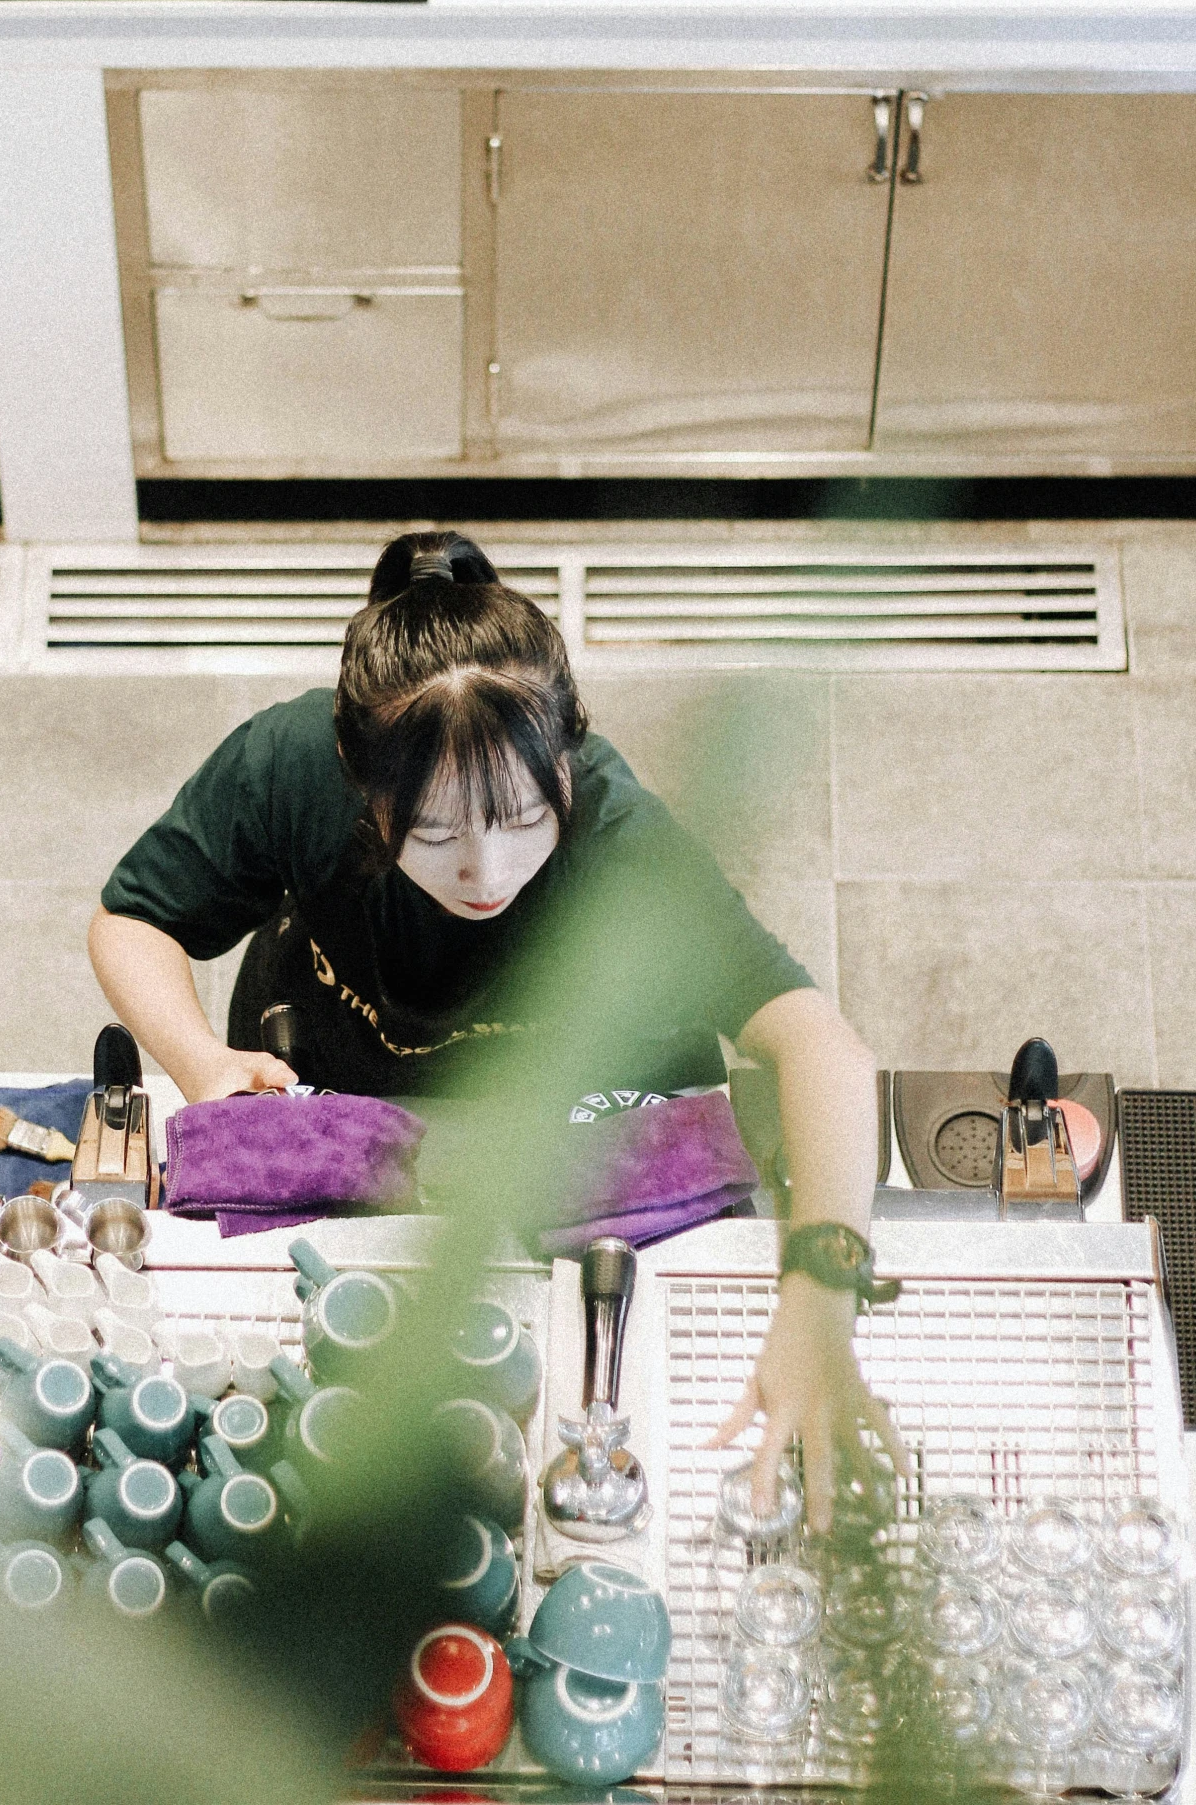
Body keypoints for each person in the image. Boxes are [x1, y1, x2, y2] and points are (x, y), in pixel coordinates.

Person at [89, 529, 905, 1526]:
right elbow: (132, 919)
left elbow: (816, 1041)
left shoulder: (620, 841)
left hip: (581, 1118)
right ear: (359, 785)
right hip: (342, 1088)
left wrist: (819, 1301)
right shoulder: (290, 763)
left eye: (523, 817)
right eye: (433, 832)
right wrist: (198, 1058)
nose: (486, 872)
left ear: (566, 758)